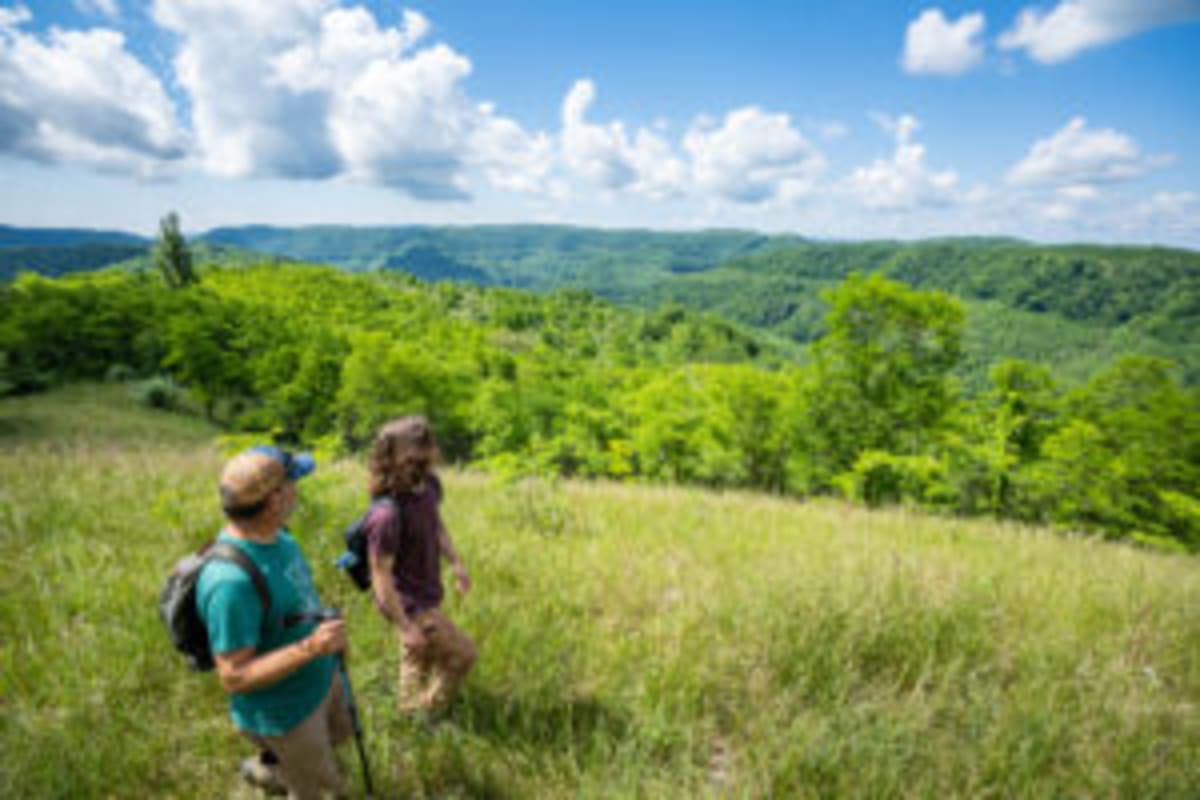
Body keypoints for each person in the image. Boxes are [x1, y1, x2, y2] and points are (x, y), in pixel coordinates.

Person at [197, 445, 351, 799]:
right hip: (287, 712)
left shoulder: (280, 537)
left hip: (320, 679)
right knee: (322, 790)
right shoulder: (229, 584)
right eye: (292, 482)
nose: (298, 489)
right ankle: (285, 772)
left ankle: (272, 770)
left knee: (336, 740)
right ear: (274, 500)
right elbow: (234, 676)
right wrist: (311, 647)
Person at [365, 416, 477, 715]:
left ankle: (409, 714)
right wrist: (403, 625)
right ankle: (428, 714)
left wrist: (456, 563)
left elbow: (435, 524)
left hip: (425, 591)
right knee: (464, 655)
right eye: (420, 447)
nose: (429, 453)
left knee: (419, 656)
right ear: (393, 455)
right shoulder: (386, 514)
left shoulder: (428, 486)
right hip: (406, 601)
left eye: (428, 444)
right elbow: (380, 573)